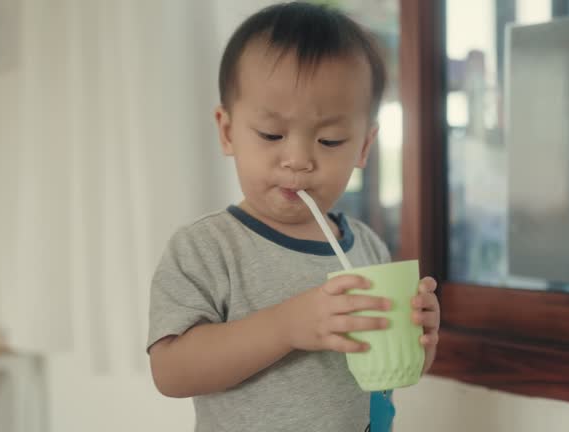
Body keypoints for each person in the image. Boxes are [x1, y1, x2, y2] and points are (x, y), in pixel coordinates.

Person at [147, 3, 440, 431]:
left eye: (330, 139)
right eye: (271, 134)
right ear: (228, 131)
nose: (299, 160)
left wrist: (419, 339)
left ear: (363, 147)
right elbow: (171, 373)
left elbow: (395, 378)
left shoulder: (368, 248)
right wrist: (287, 326)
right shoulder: (207, 248)